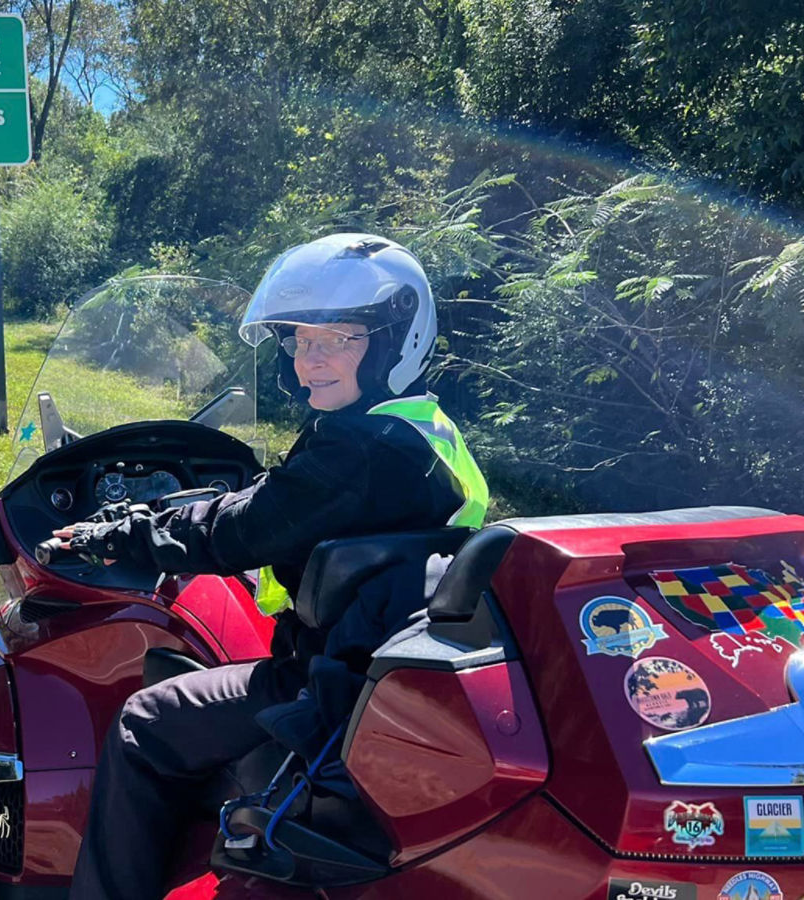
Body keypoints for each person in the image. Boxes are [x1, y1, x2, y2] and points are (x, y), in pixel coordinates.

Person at [58, 234, 489, 900]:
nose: (310, 360)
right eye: (299, 340)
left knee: (144, 721)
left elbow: (243, 529)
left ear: (392, 342)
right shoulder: (413, 427)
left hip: (328, 685)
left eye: (337, 340)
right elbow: (282, 498)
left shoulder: (362, 450)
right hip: (389, 664)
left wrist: (124, 535)